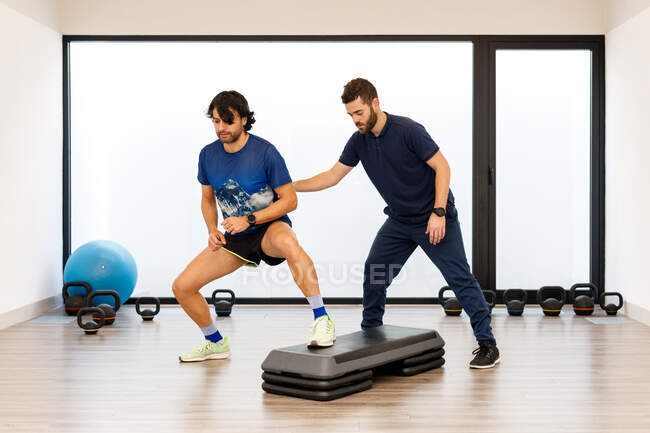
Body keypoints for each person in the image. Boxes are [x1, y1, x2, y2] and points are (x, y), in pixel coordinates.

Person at [293, 78, 500, 369]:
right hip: (400, 221)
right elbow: (331, 176)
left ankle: (487, 343)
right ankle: (371, 336)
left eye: (359, 113)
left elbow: (442, 166)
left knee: (459, 278)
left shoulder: (408, 131)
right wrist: (288, 188)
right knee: (375, 272)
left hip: (434, 218)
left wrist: (439, 212)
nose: (355, 120)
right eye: (351, 115)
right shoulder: (359, 141)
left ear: (375, 103)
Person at [173, 90, 335, 362]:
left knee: (289, 244)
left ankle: (322, 318)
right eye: (215, 121)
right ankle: (214, 342)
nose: (221, 128)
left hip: (269, 226)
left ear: (244, 119)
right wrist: (212, 230)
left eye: (228, 121)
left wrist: (248, 220)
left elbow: (290, 200)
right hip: (234, 236)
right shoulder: (207, 155)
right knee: (182, 287)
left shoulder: (265, 152)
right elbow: (207, 198)